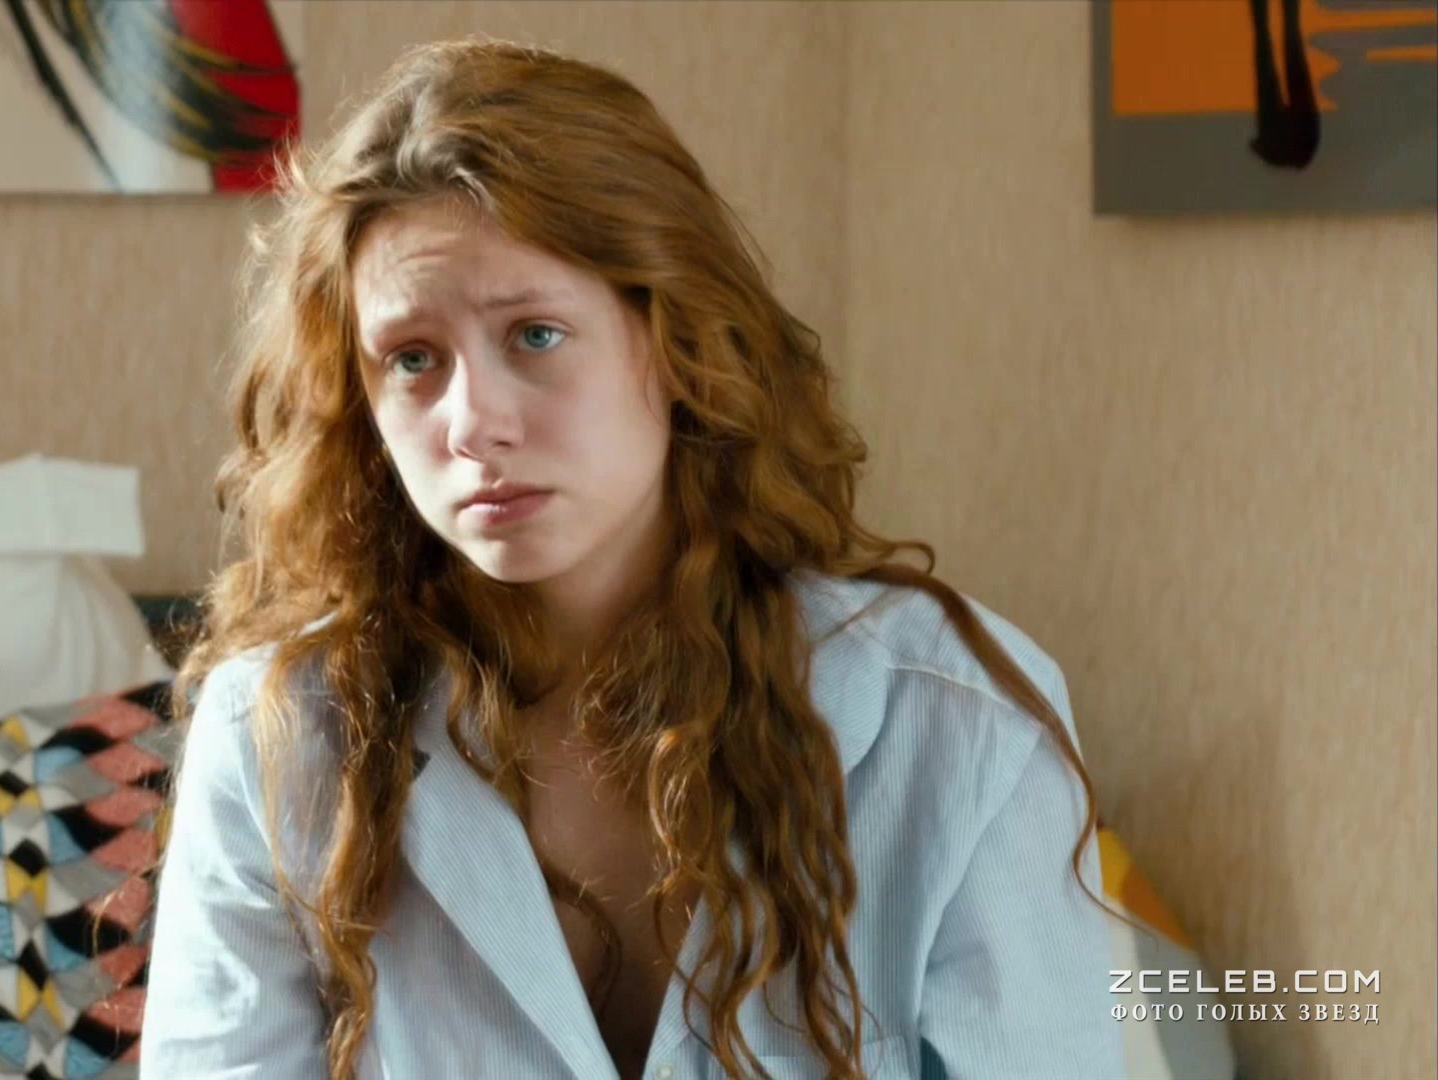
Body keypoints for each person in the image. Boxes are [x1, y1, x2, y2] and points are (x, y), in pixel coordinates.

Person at [141, 35, 1127, 1080]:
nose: (472, 423)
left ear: (674, 338)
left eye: (534, 335)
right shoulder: (279, 739)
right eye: (412, 360)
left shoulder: (957, 720)